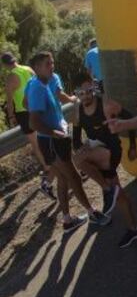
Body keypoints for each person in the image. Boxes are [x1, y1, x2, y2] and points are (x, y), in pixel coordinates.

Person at [26, 52, 111, 231]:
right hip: (52, 141)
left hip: (51, 140)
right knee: (74, 177)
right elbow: (33, 121)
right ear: (37, 68)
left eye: (52, 63)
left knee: (63, 180)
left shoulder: (38, 83)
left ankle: (67, 220)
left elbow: (26, 103)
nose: (52, 66)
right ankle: (92, 212)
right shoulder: (38, 88)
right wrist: (54, 132)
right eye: (47, 64)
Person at [70, 73, 137, 247]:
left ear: (93, 87)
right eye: (81, 93)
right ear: (76, 93)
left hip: (112, 151)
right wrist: (84, 148)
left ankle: (106, 189)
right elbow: (76, 140)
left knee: (78, 159)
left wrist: (133, 146)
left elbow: (130, 118)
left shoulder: (107, 104)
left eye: (88, 91)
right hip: (97, 152)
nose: (86, 96)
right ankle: (134, 229)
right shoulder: (78, 111)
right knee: (120, 195)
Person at [2, 52, 51, 197]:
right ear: (15, 60)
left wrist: (11, 117)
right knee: (45, 136)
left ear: (4, 65)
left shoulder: (10, 78)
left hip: (24, 112)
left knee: (35, 144)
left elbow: (10, 101)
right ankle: (53, 162)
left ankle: (47, 168)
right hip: (38, 106)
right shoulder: (29, 69)